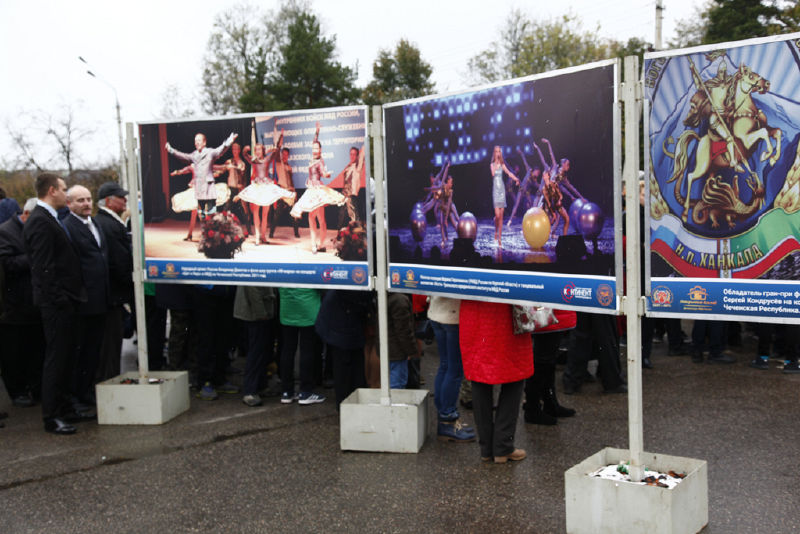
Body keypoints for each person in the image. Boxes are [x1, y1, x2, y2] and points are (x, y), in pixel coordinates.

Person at [23, 173, 88, 434]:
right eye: (63, 189)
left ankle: (65, 408)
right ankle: (51, 416)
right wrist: (60, 299)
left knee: (67, 356)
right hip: (56, 304)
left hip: (64, 301)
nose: (65, 193)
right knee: (57, 358)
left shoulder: (49, 218)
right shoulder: (40, 220)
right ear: (52, 191)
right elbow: (43, 268)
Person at [459, 300, 533, 463]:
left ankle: (486, 448)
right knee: (514, 377)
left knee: (479, 378)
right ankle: (503, 446)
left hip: (474, 317)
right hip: (506, 317)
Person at [62, 185, 110, 411]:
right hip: (83, 301)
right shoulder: (67, 227)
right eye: (80, 200)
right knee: (80, 351)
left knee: (93, 350)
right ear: (69, 204)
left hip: (101, 298)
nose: (86, 204)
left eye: (88, 199)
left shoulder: (95, 223)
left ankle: (86, 391)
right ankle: (75, 395)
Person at [0, 198, 44, 408]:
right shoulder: (5, 232)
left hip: (36, 303)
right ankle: (17, 391)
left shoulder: (34, 230)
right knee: (15, 352)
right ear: (26, 215)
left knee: (36, 349)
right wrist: (35, 257)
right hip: (15, 306)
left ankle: (36, 388)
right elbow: (7, 264)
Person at [94, 182, 133, 381]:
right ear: (108, 201)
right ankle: (110, 382)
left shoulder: (104, 221)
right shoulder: (109, 224)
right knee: (110, 346)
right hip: (114, 295)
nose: (125, 200)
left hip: (111, 294)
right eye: (121, 197)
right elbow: (120, 261)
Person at [290, 123, 345, 253]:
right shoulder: (313, 158)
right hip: (311, 190)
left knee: (318, 218)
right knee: (315, 218)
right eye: (313, 148)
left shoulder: (320, 161)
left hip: (317, 190)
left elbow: (323, 172)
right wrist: (317, 131)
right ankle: (316, 244)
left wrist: (327, 174)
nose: (314, 150)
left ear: (320, 150)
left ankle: (319, 244)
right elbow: (314, 141)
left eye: (317, 148)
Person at [428, 296, 475, 442]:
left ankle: (444, 417)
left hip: (436, 312)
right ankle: (448, 419)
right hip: (453, 315)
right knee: (454, 370)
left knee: (445, 366)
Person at [315, 289, 372, 406]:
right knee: (344, 369)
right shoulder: (349, 293)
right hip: (342, 326)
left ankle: (349, 402)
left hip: (343, 324)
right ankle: (345, 404)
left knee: (349, 367)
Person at [165, 131, 237, 221]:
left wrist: (229, 141)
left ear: (204, 142)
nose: (197, 143)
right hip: (199, 188)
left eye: (199, 140)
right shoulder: (194, 155)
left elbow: (221, 149)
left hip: (209, 187)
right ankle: (204, 228)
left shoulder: (210, 152)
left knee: (211, 213)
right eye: (195, 141)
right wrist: (171, 150)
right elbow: (183, 156)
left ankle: (212, 228)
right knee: (201, 214)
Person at [240, 130, 295, 244]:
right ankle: (257, 236)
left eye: (259, 149)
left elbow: (277, 150)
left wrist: (280, 139)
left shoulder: (267, 159)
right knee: (256, 212)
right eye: (256, 150)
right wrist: (245, 150)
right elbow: (245, 155)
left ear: (263, 150)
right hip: (256, 187)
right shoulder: (254, 160)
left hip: (266, 187)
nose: (257, 152)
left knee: (265, 213)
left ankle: (263, 236)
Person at [524, 308, 577, 425]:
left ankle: (548, 404)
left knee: (548, 358)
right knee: (543, 359)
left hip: (551, 310)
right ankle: (533, 408)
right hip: (547, 309)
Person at [278, 287, 325, 404]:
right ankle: (306, 391)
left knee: (287, 350)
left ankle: (287, 391)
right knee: (307, 351)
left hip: (287, 308)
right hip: (308, 309)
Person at [233, 285, 277, 407]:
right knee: (255, 352)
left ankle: (260, 385)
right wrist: (261, 313)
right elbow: (252, 287)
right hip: (255, 314)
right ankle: (250, 391)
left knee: (262, 350)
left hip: (260, 311)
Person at [268, 143, 300, 239]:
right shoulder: (279, 164)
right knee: (277, 214)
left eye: (287, 154)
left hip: (290, 193)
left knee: (294, 214)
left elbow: (291, 181)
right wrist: (279, 142)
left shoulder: (289, 167)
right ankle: (271, 233)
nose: (285, 156)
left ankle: (296, 233)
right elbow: (277, 153)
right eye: (283, 154)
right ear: (281, 154)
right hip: (282, 192)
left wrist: (294, 192)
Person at [490, 146, 519, 247]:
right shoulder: (492, 165)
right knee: (497, 216)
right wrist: (497, 163)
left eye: (499, 151)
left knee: (501, 217)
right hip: (495, 190)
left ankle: (499, 239)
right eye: (496, 151)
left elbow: (509, 173)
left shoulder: (502, 164)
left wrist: (516, 179)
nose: (498, 153)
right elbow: (493, 174)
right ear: (494, 153)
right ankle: (495, 231)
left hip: (502, 190)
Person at [387, 292, 418, 390]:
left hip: (391, 347)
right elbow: (403, 330)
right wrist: (410, 350)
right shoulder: (399, 300)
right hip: (397, 350)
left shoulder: (390, 297)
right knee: (397, 385)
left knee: (393, 382)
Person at [336, 146, 365, 228]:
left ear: (357, 156)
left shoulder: (357, 167)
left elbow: (362, 155)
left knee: (354, 216)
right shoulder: (349, 167)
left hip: (351, 195)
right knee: (342, 215)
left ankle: (358, 232)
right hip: (344, 194)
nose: (352, 156)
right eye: (351, 154)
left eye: (354, 154)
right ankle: (340, 233)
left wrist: (364, 146)